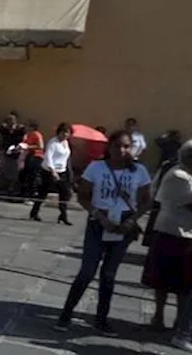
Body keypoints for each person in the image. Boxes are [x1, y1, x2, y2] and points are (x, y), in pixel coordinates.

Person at [55, 131, 153, 334]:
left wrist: (131, 221)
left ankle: (101, 319)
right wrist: (99, 216)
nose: (121, 150)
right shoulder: (97, 168)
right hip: (100, 222)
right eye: (117, 146)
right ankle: (66, 313)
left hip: (124, 224)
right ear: (110, 147)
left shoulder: (139, 171)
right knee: (87, 271)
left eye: (126, 146)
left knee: (109, 274)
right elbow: (83, 196)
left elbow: (146, 201)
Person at [141, 140, 192, 330]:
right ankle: (159, 316)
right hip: (171, 231)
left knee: (187, 282)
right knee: (162, 279)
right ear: (187, 157)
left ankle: (181, 319)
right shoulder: (177, 175)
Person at [31, 123, 74, 224]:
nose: (65, 135)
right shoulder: (53, 142)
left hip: (62, 171)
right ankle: (34, 212)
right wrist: (53, 171)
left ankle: (63, 215)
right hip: (49, 171)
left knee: (65, 193)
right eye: (64, 132)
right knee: (43, 193)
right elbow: (48, 157)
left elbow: (66, 157)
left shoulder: (66, 143)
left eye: (68, 133)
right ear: (59, 132)